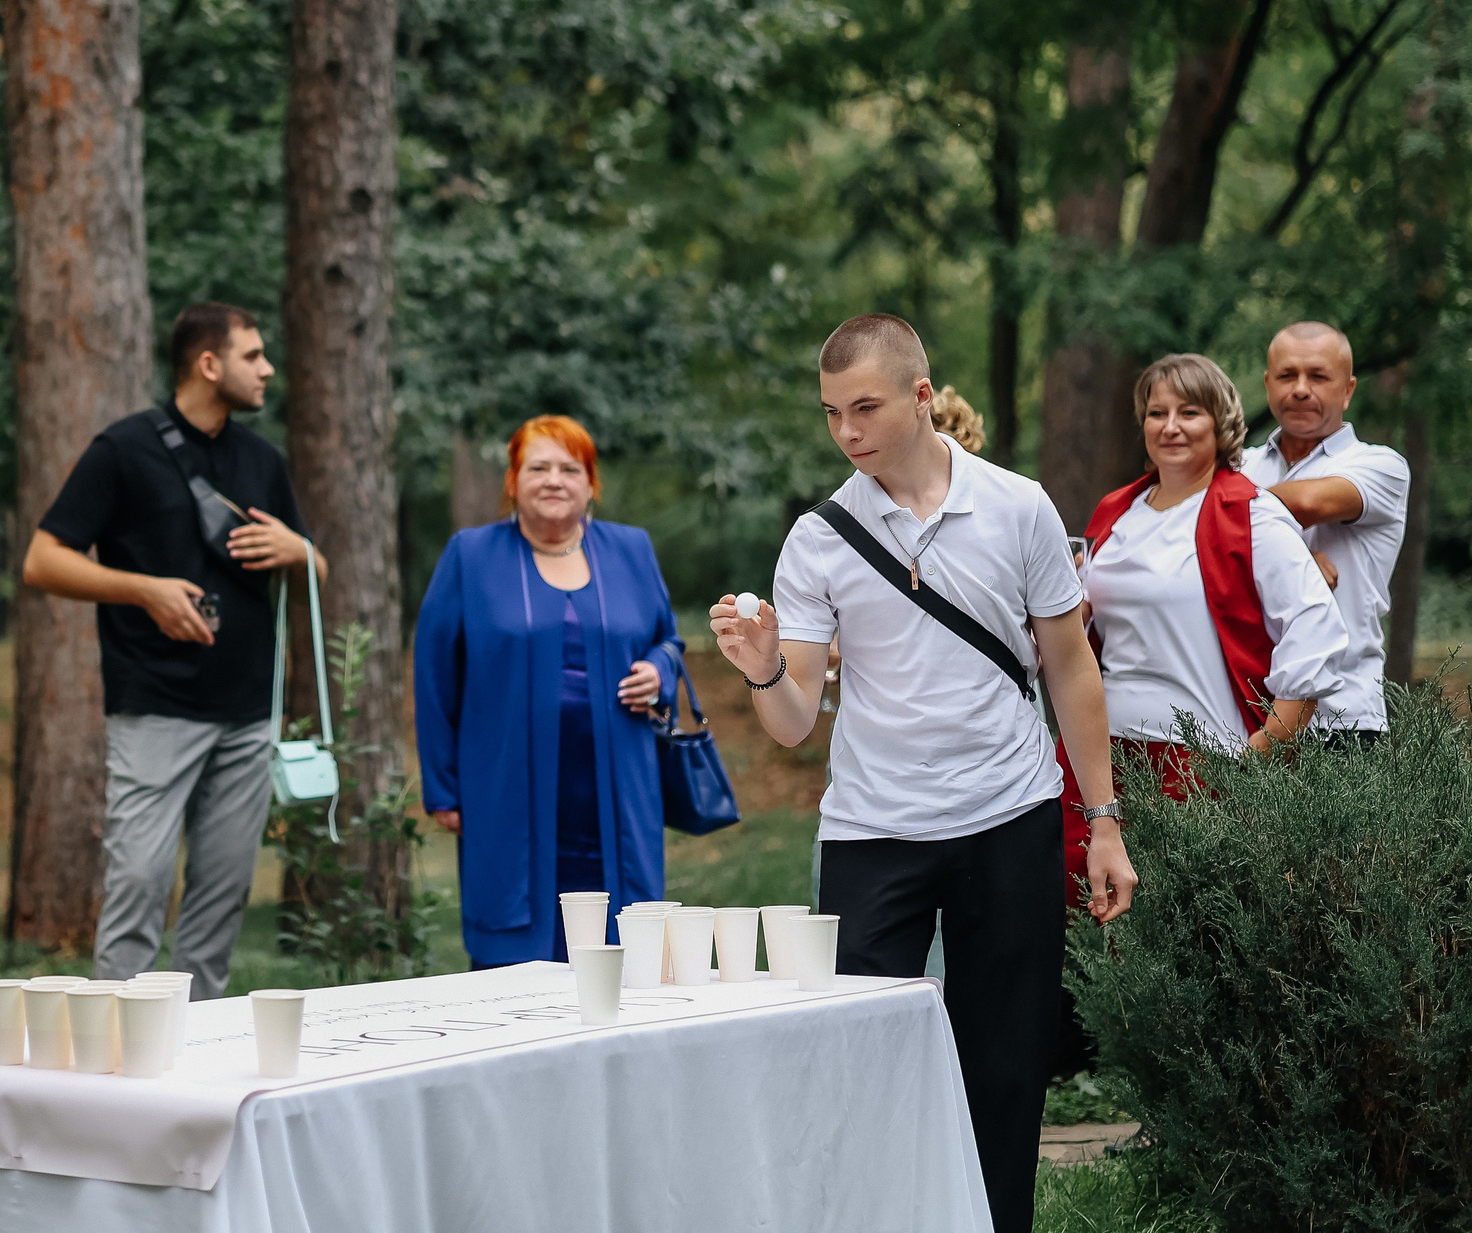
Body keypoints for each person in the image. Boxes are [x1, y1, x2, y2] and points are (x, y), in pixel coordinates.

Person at [709, 313, 1135, 1233]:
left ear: (922, 395)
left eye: (864, 407)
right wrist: (762, 667)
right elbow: (792, 722)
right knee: (860, 1062)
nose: (847, 431)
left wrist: (1102, 819)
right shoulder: (819, 537)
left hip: (1010, 813)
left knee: (1005, 1069)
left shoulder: (1019, 506)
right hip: (874, 829)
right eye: (831, 412)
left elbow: (1071, 668)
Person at [23, 301, 323, 1001]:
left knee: (221, 898)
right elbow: (42, 560)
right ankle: (116, 1044)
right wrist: (144, 590)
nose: (267, 370)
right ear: (208, 364)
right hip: (155, 707)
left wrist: (300, 551)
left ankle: (198, 1045)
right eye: (253, 356)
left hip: (248, 715)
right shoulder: (123, 450)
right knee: (138, 882)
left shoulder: (262, 461)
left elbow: (316, 574)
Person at [414, 416, 682, 967]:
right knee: (514, 957)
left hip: (616, 786)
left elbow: (668, 640)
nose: (554, 479)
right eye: (538, 467)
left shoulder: (631, 550)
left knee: (621, 947)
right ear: (513, 481)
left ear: (591, 484)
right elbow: (435, 673)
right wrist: (443, 788)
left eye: (570, 468)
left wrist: (660, 671)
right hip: (506, 787)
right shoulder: (471, 556)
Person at [1066, 354, 1345, 838]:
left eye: (1189, 412)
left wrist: (1258, 759)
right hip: (1096, 760)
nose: (1170, 426)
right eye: (1157, 413)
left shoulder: (1252, 514)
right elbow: (1081, 628)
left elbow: (1314, 633)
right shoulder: (1116, 511)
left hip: (1200, 763)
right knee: (1077, 886)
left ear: (1221, 422)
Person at [1243, 321, 1410, 747]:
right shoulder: (1240, 466)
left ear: (1348, 390)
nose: (1300, 389)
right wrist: (1297, 561)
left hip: (1342, 720)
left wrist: (1279, 555)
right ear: (1268, 384)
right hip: (1242, 712)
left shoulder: (1380, 466)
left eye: (1318, 376)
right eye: (1287, 375)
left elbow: (1308, 503)